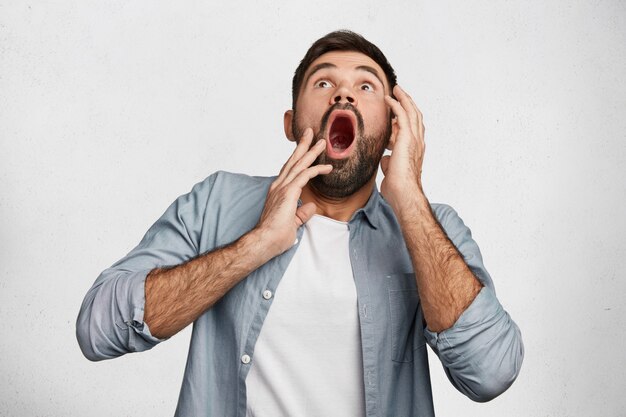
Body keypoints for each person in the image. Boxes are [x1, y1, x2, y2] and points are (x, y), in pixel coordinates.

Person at [77, 30, 523, 417]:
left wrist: (409, 200)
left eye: (366, 86)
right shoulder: (217, 201)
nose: (343, 95)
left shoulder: (430, 226)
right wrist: (254, 246)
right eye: (324, 81)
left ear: (392, 128)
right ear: (291, 124)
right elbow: (98, 330)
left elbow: (490, 373)